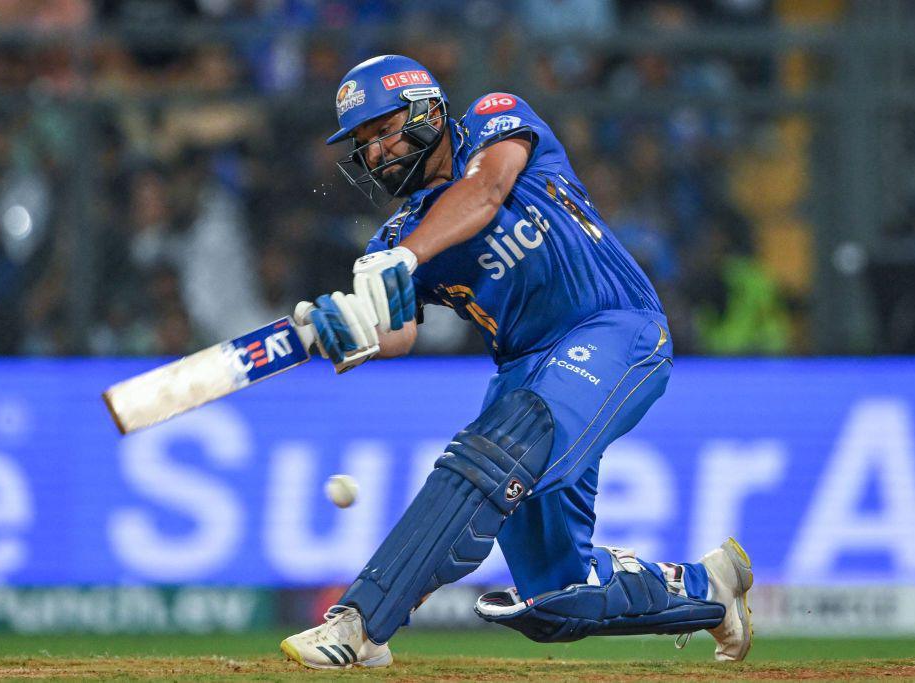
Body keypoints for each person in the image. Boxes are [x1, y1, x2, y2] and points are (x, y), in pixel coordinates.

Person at [280, 55, 753, 670]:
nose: (374, 154)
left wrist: (408, 259)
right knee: (555, 600)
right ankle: (709, 590)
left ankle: (361, 623)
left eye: (384, 129)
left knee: (505, 436)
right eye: (363, 144)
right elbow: (393, 336)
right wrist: (340, 330)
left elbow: (486, 190)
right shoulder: (395, 239)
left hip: (614, 328)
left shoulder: (495, 119)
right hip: (525, 371)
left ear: (426, 109)